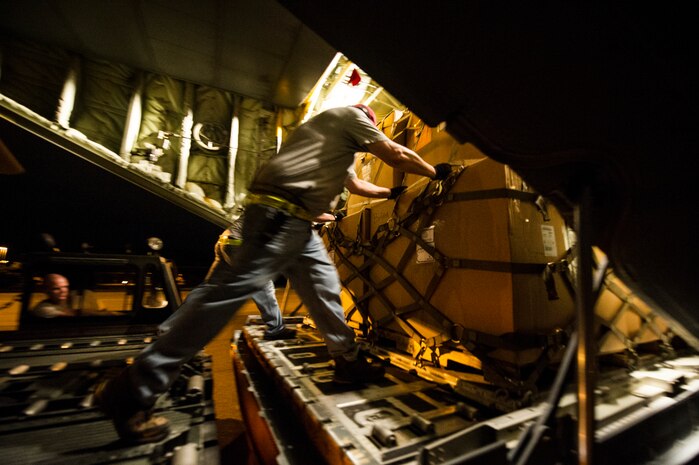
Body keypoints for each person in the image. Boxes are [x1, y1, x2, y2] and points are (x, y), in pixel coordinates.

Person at [94, 103, 452, 444]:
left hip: (291, 221)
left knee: (322, 285)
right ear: (367, 119)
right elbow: (396, 154)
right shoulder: (351, 117)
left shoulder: (329, 143)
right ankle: (132, 391)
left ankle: (347, 360)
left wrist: (393, 191)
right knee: (221, 301)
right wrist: (434, 172)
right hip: (278, 219)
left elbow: (357, 187)